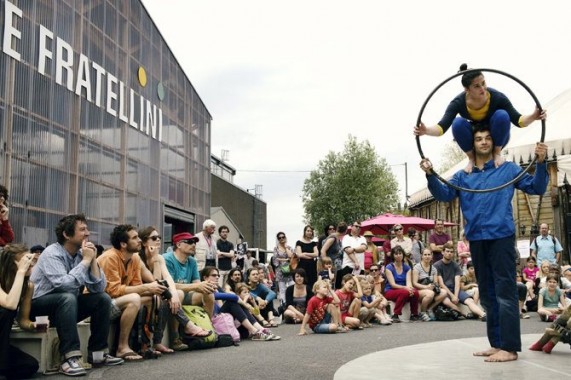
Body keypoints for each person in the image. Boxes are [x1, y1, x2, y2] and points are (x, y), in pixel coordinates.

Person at [420, 122, 549, 362]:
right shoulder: (463, 175)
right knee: (488, 295)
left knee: (505, 293)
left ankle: (509, 348)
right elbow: (444, 194)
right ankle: (496, 343)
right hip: (477, 239)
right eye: (478, 138)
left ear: (494, 141)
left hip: (501, 237)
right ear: (473, 143)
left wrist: (541, 163)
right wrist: (430, 174)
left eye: (487, 137)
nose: (483, 142)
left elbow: (537, 187)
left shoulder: (508, 169)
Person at [30, 214, 123, 376]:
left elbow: (99, 289)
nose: (87, 233)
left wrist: (92, 260)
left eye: (87, 229)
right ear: (66, 234)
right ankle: (69, 357)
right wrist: (85, 261)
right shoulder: (52, 253)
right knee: (67, 297)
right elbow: (64, 285)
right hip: (38, 311)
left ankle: (98, 354)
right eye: (82, 229)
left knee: (102, 299)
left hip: (66, 308)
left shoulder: (82, 254)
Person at [414, 63, 545, 173]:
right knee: (457, 123)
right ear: (467, 89)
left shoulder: (497, 97)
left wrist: (533, 116)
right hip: (474, 141)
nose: (482, 89)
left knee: (502, 114)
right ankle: (471, 159)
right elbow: (441, 127)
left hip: (496, 138)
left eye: (483, 83)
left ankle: (497, 154)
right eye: (477, 86)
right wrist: (426, 131)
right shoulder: (458, 102)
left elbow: (518, 120)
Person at [98, 225, 167, 361]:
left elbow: (136, 285)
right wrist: (146, 287)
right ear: (123, 244)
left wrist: (149, 290)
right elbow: (114, 291)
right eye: (135, 238)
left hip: (119, 301)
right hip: (101, 307)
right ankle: (122, 347)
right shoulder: (109, 258)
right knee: (136, 298)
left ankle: (144, 345)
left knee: (151, 298)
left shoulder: (134, 258)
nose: (139, 240)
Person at [163, 232, 217, 350]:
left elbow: (197, 284)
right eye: (189, 242)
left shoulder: (192, 261)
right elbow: (169, 285)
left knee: (209, 294)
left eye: (195, 242)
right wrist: (195, 287)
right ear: (178, 244)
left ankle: (208, 328)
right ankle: (175, 338)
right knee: (179, 293)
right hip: (168, 295)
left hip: (187, 294)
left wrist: (207, 286)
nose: (193, 245)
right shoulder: (167, 259)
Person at [137, 226, 184, 354]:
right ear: (144, 242)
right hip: (140, 294)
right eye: (154, 238)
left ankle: (158, 342)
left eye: (159, 237)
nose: (158, 240)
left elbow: (168, 279)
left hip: (155, 294)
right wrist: (155, 260)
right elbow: (156, 281)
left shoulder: (159, 257)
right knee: (159, 298)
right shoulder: (137, 258)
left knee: (177, 294)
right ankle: (189, 325)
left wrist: (174, 294)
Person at [0, 244, 40, 379]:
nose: (30, 264)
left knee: (30, 365)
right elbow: (10, 304)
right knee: (5, 311)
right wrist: (20, 272)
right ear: (11, 265)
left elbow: (22, 319)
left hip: (2, 345)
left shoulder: (28, 286)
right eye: (25, 261)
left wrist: (32, 325)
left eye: (30, 260)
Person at [434, 243, 486, 321]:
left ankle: (483, 315)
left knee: (470, 300)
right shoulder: (437, 265)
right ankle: (463, 314)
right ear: (442, 252)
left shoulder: (455, 265)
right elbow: (441, 284)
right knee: (446, 301)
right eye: (447, 251)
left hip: (455, 289)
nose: (449, 253)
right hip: (444, 290)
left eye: (451, 252)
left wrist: (455, 295)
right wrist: (452, 296)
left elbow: (457, 283)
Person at [384, 246, 420, 323]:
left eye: (400, 253)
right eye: (396, 254)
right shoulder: (389, 267)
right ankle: (396, 315)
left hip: (403, 290)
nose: (398, 255)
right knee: (404, 292)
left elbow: (409, 282)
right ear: (393, 255)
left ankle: (414, 314)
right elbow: (393, 284)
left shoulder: (407, 268)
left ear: (403, 254)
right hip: (391, 290)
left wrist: (410, 289)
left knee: (415, 292)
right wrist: (406, 288)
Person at [412, 248, 448, 321]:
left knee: (444, 292)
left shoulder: (434, 269)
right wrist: (426, 287)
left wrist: (434, 286)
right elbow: (414, 283)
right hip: (419, 290)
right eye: (425, 255)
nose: (427, 256)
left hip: (430, 289)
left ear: (432, 256)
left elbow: (435, 282)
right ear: (421, 256)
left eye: (429, 255)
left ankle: (430, 308)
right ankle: (422, 312)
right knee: (430, 293)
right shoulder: (417, 267)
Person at [337, 222, 366, 288]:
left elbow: (363, 248)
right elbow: (347, 251)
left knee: (359, 288)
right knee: (347, 288)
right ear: (352, 227)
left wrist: (353, 249)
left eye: (360, 227)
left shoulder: (362, 238)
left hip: (360, 268)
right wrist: (356, 262)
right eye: (356, 226)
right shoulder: (346, 237)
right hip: (348, 267)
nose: (358, 228)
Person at [320, 222, 347, 287]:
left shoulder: (338, 238)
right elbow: (323, 250)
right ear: (345, 231)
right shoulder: (332, 238)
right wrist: (326, 263)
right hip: (330, 267)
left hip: (337, 267)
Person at [272, 232, 295, 304]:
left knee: (292, 285)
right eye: (280, 237)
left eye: (283, 237)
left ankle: (291, 302)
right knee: (282, 289)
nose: (282, 238)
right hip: (280, 271)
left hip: (289, 269)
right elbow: (275, 260)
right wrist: (286, 260)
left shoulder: (289, 247)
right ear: (278, 239)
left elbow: (291, 257)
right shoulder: (276, 248)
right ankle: (283, 304)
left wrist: (286, 247)